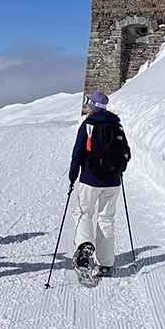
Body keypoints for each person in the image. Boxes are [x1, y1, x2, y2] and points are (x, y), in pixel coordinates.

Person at [68, 91, 131, 277]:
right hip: (113, 181)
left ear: (93, 106)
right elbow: (125, 153)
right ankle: (106, 264)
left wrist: (72, 177)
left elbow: (77, 153)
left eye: (88, 103)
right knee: (106, 218)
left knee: (84, 213)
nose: (86, 106)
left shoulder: (88, 125)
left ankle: (84, 249)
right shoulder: (116, 125)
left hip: (90, 179)